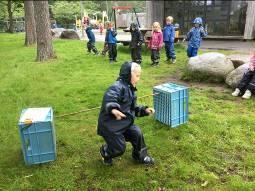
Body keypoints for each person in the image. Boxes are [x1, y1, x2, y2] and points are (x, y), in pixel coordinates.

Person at [97, 61, 155, 166]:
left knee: (137, 133)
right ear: (128, 75)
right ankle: (106, 152)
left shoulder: (130, 89)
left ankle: (140, 155)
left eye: (139, 76)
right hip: (111, 126)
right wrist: (113, 109)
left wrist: (144, 111)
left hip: (124, 123)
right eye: (137, 76)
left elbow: (133, 108)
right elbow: (110, 97)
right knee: (119, 148)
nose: (138, 78)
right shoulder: (117, 87)